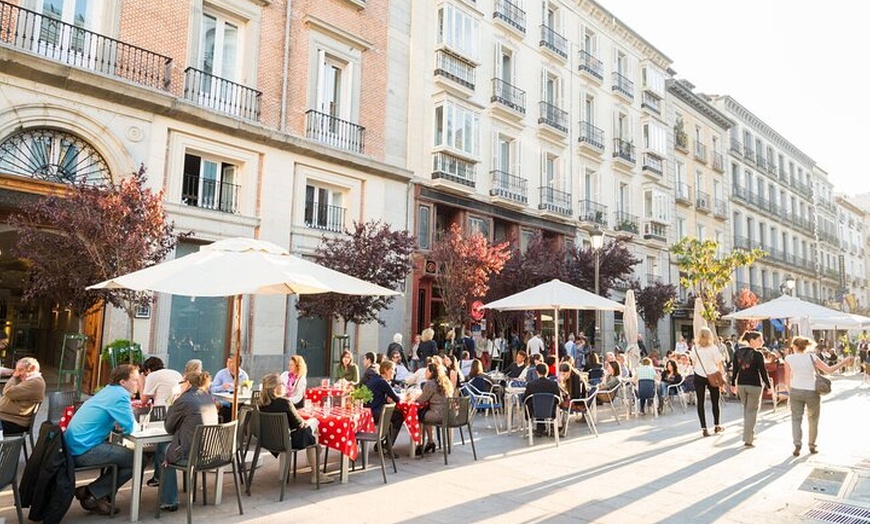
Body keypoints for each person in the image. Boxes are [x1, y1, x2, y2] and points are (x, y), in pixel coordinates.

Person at [67, 364, 139, 515]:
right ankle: (93, 493)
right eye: (134, 380)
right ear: (122, 382)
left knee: (127, 458)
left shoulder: (108, 390)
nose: (138, 384)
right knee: (137, 460)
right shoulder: (120, 395)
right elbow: (131, 427)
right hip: (84, 449)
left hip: (75, 445)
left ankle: (94, 494)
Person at [157, 370, 219, 511]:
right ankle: (163, 488)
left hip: (192, 455)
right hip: (212, 452)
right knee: (168, 447)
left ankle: (169, 500)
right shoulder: (208, 398)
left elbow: (169, 427)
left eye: (181, 383)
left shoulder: (183, 400)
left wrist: (174, 403)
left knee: (162, 450)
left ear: (188, 384)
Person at [258, 373, 333, 484]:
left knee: (311, 431)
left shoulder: (260, 405)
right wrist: (311, 423)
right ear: (275, 387)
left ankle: (315, 450)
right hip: (287, 442)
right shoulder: (285, 403)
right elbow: (300, 424)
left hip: (269, 442)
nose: (284, 385)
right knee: (313, 425)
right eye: (282, 383)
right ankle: (316, 472)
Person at [784, 336, 853, 456]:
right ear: (806, 346)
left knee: (796, 419)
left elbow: (787, 378)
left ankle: (797, 444)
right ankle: (812, 445)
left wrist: (791, 391)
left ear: (794, 346)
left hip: (796, 390)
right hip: (811, 391)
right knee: (813, 419)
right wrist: (844, 361)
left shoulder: (789, 358)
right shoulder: (812, 357)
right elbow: (829, 370)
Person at [730, 331, 771, 447]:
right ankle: (748, 438)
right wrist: (768, 386)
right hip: (754, 384)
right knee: (752, 411)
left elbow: (735, 370)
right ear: (752, 341)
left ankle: (749, 433)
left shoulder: (738, 352)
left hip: (742, 384)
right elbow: (763, 372)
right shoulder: (757, 354)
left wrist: (733, 384)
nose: (762, 342)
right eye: (760, 339)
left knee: (747, 410)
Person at [692, 327, 725, 437]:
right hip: (713, 374)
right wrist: (721, 376)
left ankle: (704, 428)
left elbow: (694, 362)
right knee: (715, 401)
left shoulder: (695, 348)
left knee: (700, 402)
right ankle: (716, 425)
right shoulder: (713, 348)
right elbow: (719, 363)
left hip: (699, 375)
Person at [0, 357, 46, 436]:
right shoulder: (28, 380)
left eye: (21, 370)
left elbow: (8, 391)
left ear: (32, 368)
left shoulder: (35, 383)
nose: (18, 373)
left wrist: (14, 376)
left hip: (13, 422)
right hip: (6, 418)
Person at [416, 363, 454, 455]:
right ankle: (430, 441)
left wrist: (414, 397)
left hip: (437, 415)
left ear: (431, 372)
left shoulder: (430, 383)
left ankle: (419, 443)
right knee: (426, 413)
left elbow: (422, 400)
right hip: (449, 414)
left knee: (418, 415)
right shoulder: (446, 381)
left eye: (426, 371)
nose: (425, 373)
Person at [366, 361, 405, 447]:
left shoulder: (375, 379)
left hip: (369, 412)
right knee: (399, 416)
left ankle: (381, 444)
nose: (394, 372)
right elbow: (397, 399)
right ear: (386, 370)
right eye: (392, 370)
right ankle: (388, 446)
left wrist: (386, 398)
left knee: (393, 416)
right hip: (376, 413)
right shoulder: (383, 382)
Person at [524, 363, 562, 436]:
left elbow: (525, 399)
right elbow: (558, 399)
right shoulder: (553, 384)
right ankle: (547, 429)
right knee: (545, 403)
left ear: (537, 372)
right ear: (547, 372)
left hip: (535, 411)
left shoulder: (531, 385)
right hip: (550, 410)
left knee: (534, 403)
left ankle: (539, 429)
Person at [210, 355, 249, 422]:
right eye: (227, 361)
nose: (227, 364)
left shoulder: (243, 375)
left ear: (237, 363)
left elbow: (246, 388)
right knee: (228, 409)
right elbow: (212, 389)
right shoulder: (221, 374)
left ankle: (239, 428)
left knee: (246, 409)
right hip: (224, 401)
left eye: (231, 362)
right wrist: (222, 387)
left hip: (238, 401)